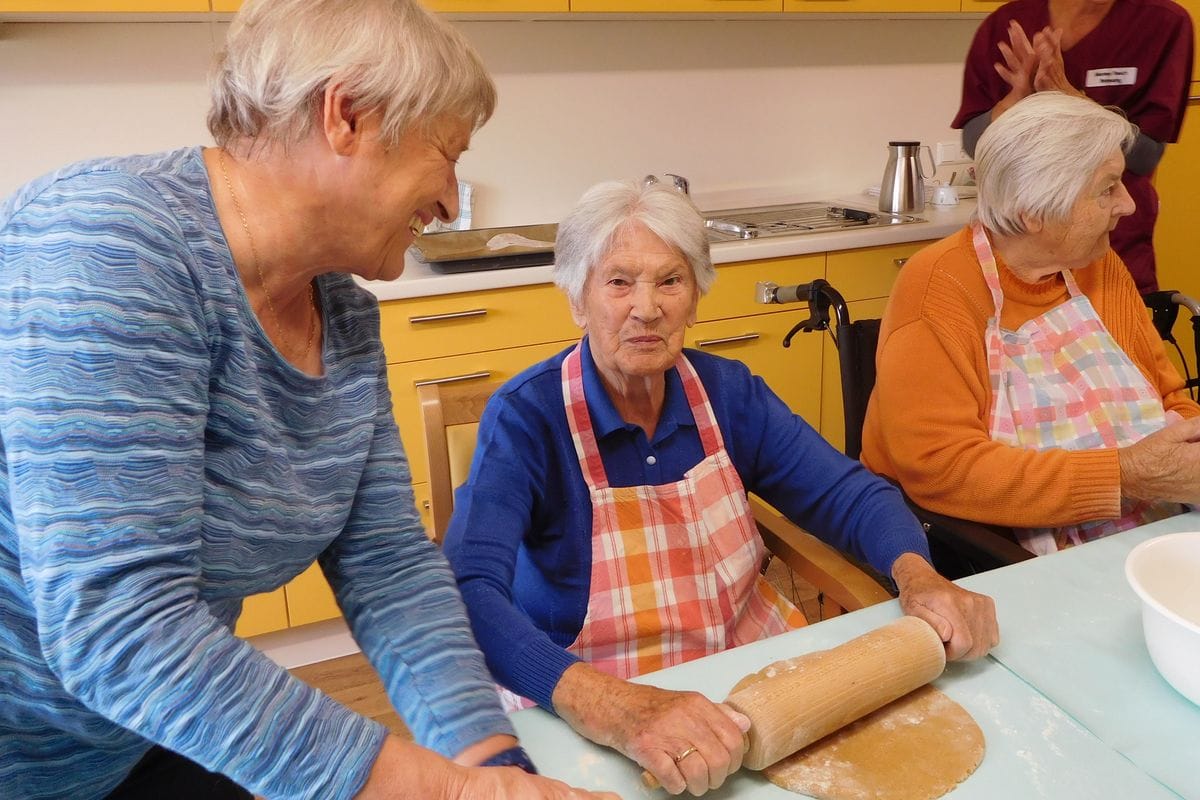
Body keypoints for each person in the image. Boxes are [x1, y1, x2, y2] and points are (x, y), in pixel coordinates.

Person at [0, 2, 619, 799]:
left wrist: (492, 765)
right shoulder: (112, 244)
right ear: (346, 115)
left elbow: (389, 566)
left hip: (143, 733)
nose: (448, 199)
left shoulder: (344, 315)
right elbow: (121, 625)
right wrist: (453, 793)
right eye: (446, 154)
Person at [442, 180, 999, 797]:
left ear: (696, 297)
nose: (646, 307)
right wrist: (609, 704)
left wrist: (918, 574)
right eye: (619, 282)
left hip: (745, 668)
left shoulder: (728, 393)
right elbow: (467, 590)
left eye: (670, 281)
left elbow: (852, 496)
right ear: (578, 299)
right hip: (590, 688)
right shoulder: (528, 418)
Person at [863, 92, 1200, 557]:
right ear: (1034, 213)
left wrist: (1187, 449)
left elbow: (1167, 397)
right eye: (1107, 189)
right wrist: (1125, 474)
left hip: (1135, 519)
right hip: (989, 546)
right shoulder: (938, 287)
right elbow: (942, 469)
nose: (1128, 205)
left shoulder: (1099, 264)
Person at [951, 0, 1194, 295]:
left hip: (1109, 247)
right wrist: (1016, 102)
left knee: (1119, 322)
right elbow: (974, 142)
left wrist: (1069, 97)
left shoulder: (1161, 22)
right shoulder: (1008, 24)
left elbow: (1145, 155)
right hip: (1017, 252)